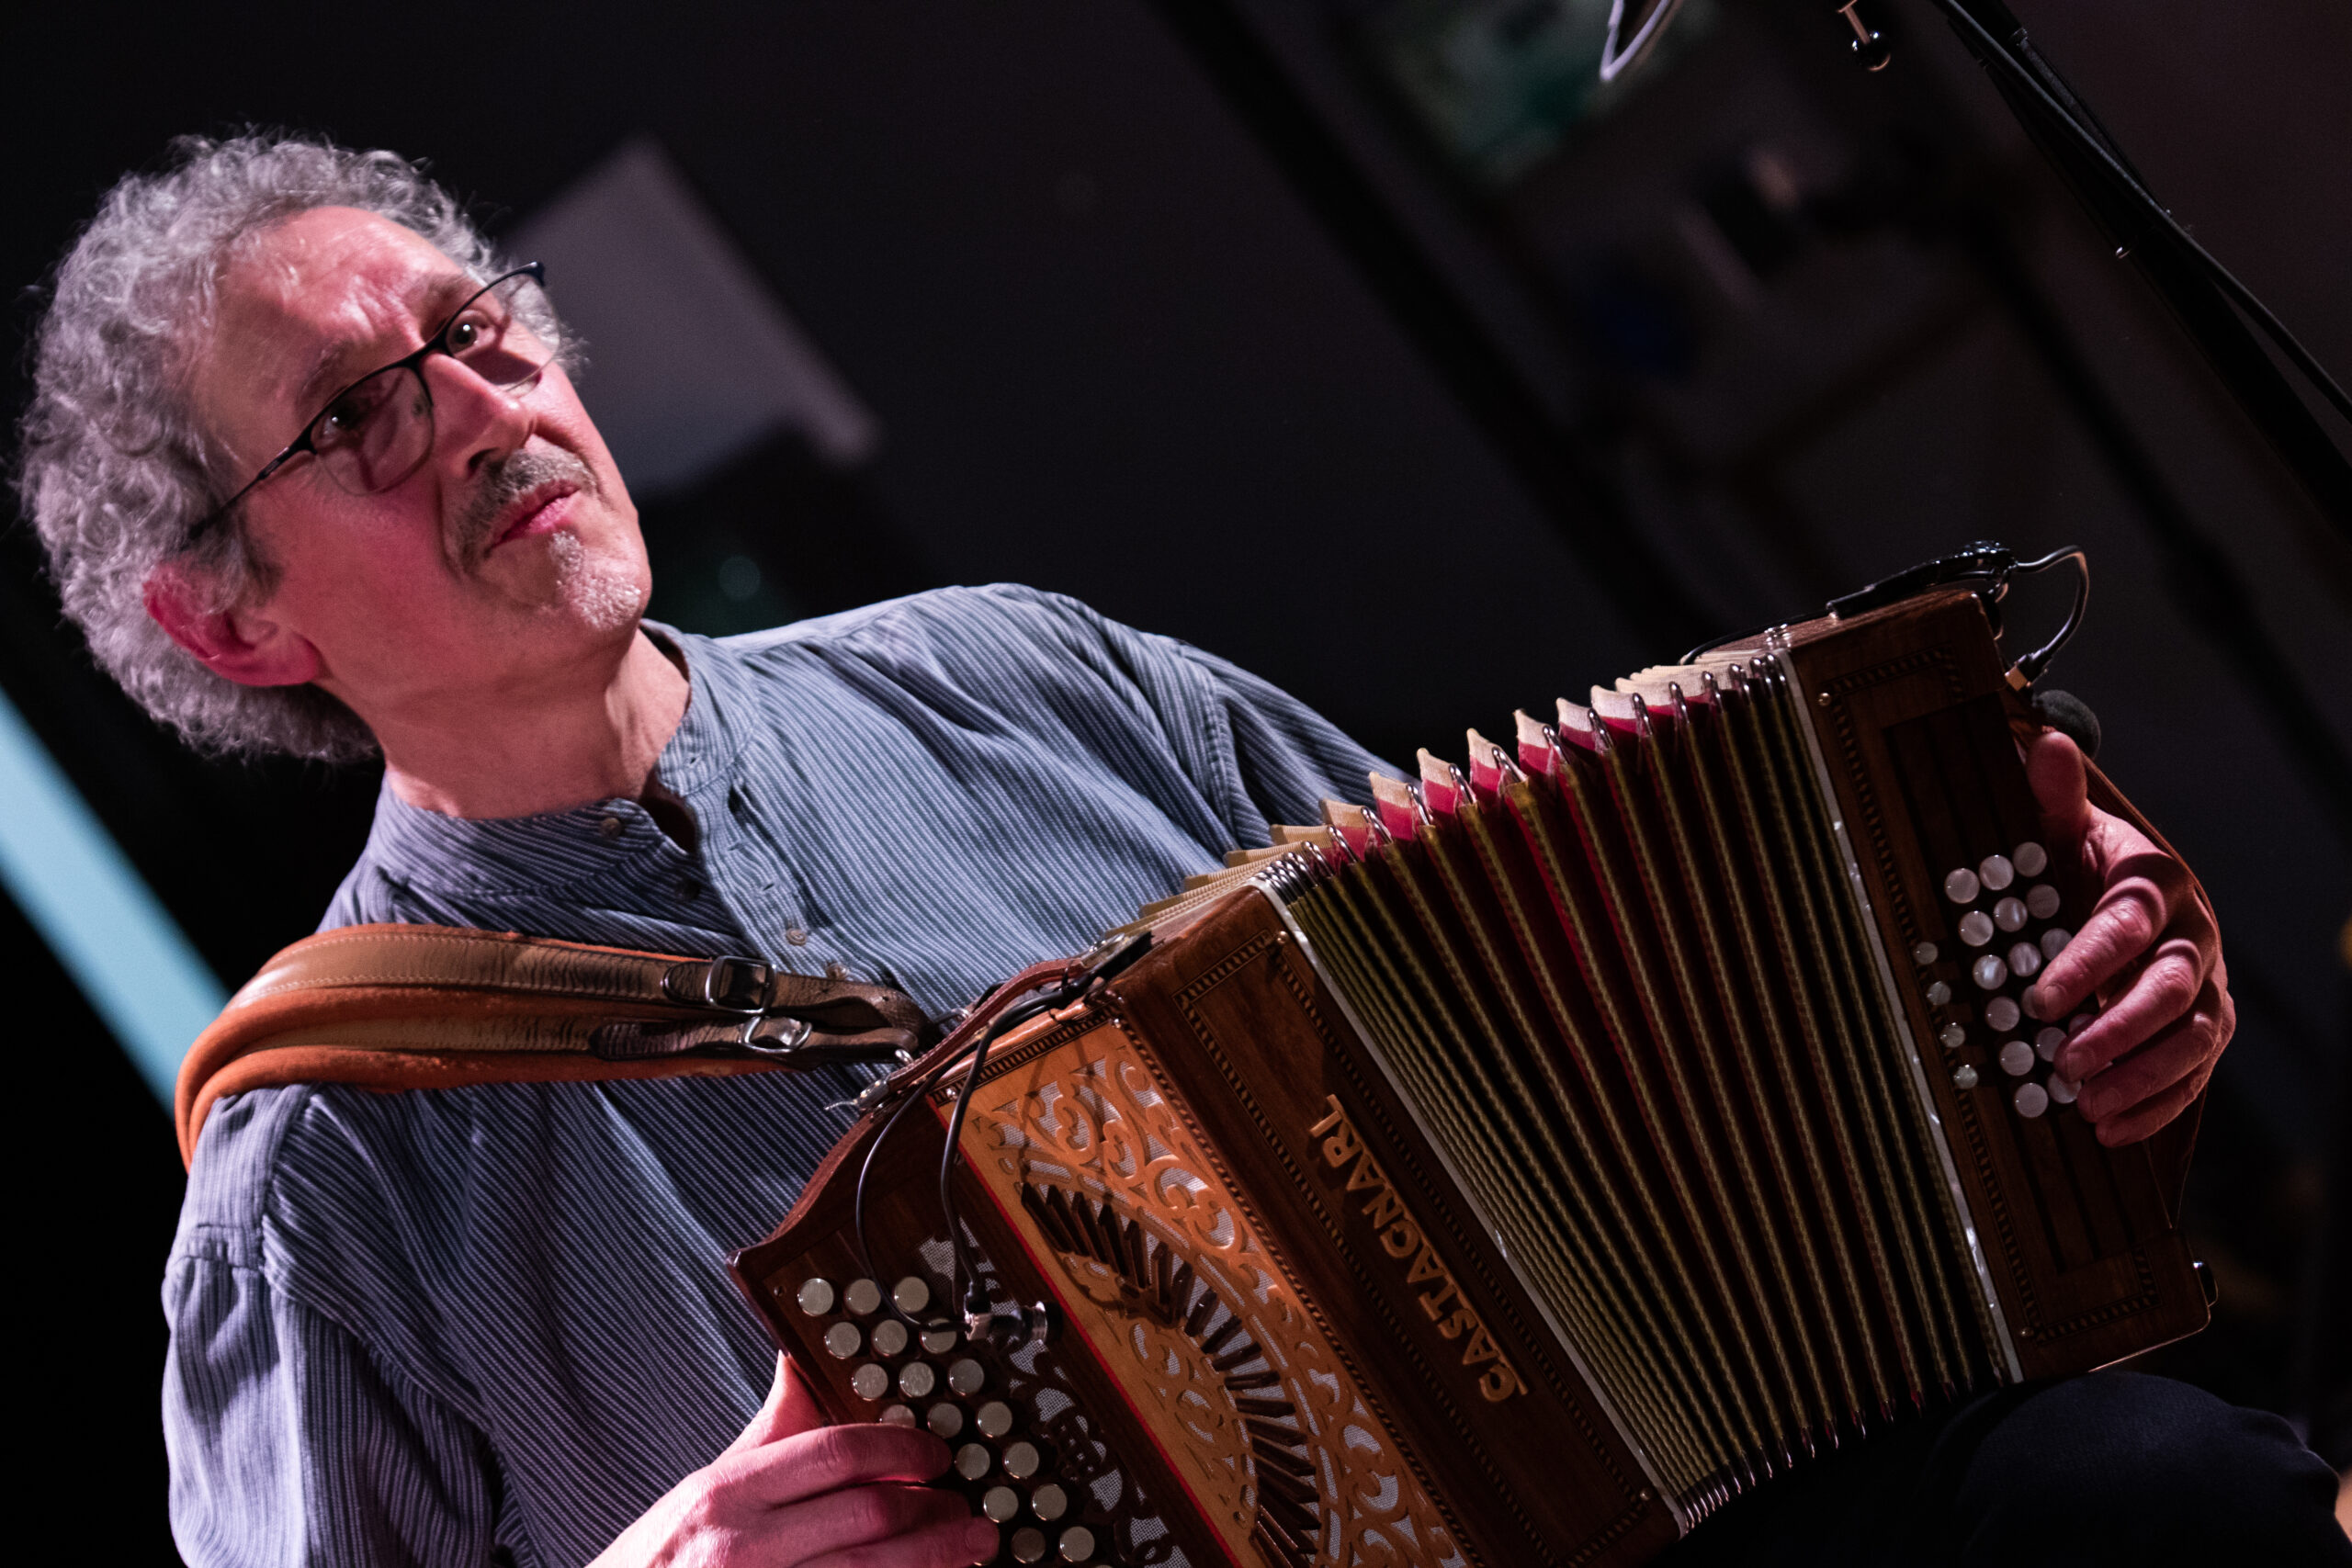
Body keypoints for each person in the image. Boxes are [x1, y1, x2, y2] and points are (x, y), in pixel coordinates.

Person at [16, 134, 2342, 1568]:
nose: (483, 416)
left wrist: (2026, 1026)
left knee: (2158, 1502)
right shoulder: (320, 1193)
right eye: (358, 414)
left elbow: (1595, 1054)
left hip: (1651, 1522)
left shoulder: (1016, 674)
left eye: (479, 330)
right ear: (229, 613)